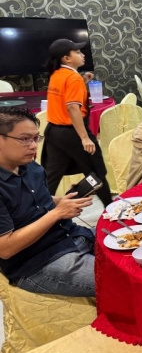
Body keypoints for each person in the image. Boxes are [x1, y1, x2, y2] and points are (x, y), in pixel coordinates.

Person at [0, 107, 95, 297]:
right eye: (24, 139)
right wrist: (57, 213)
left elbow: (36, 200)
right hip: (38, 262)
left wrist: (63, 201)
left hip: (70, 236)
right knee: (125, 278)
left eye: (36, 138)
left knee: (133, 244)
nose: (33, 146)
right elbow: (5, 249)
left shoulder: (30, 166)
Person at [43, 38, 112, 208]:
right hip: (72, 132)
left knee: (51, 176)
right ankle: (110, 208)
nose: (82, 55)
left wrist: (83, 81)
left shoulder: (57, 74)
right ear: (67, 58)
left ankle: (39, 209)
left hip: (54, 132)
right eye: (78, 52)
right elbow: (72, 107)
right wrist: (84, 138)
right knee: (96, 171)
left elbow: (65, 95)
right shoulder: (73, 78)